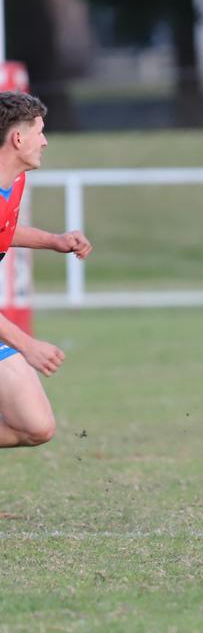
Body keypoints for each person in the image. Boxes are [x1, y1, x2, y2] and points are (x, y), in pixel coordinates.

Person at [0, 91, 92, 448]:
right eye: (39, 131)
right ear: (17, 138)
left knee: (35, 425)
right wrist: (27, 344)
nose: (45, 141)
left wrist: (53, 241)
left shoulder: (14, 181)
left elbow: (4, 229)